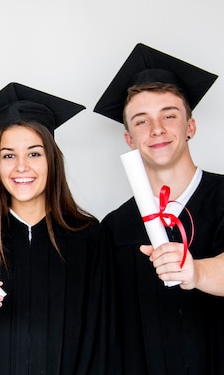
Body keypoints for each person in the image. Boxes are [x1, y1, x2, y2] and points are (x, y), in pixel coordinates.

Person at [0, 82, 118, 374]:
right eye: (8, 155)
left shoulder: (87, 236)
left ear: (52, 160)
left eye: (34, 153)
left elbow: (101, 340)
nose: (21, 166)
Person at [94, 43, 224, 374]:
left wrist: (197, 272)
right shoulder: (114, 228)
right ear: (129, 139)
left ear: (190, 127)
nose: (157, 129)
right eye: (142, 121)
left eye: (169, 115)